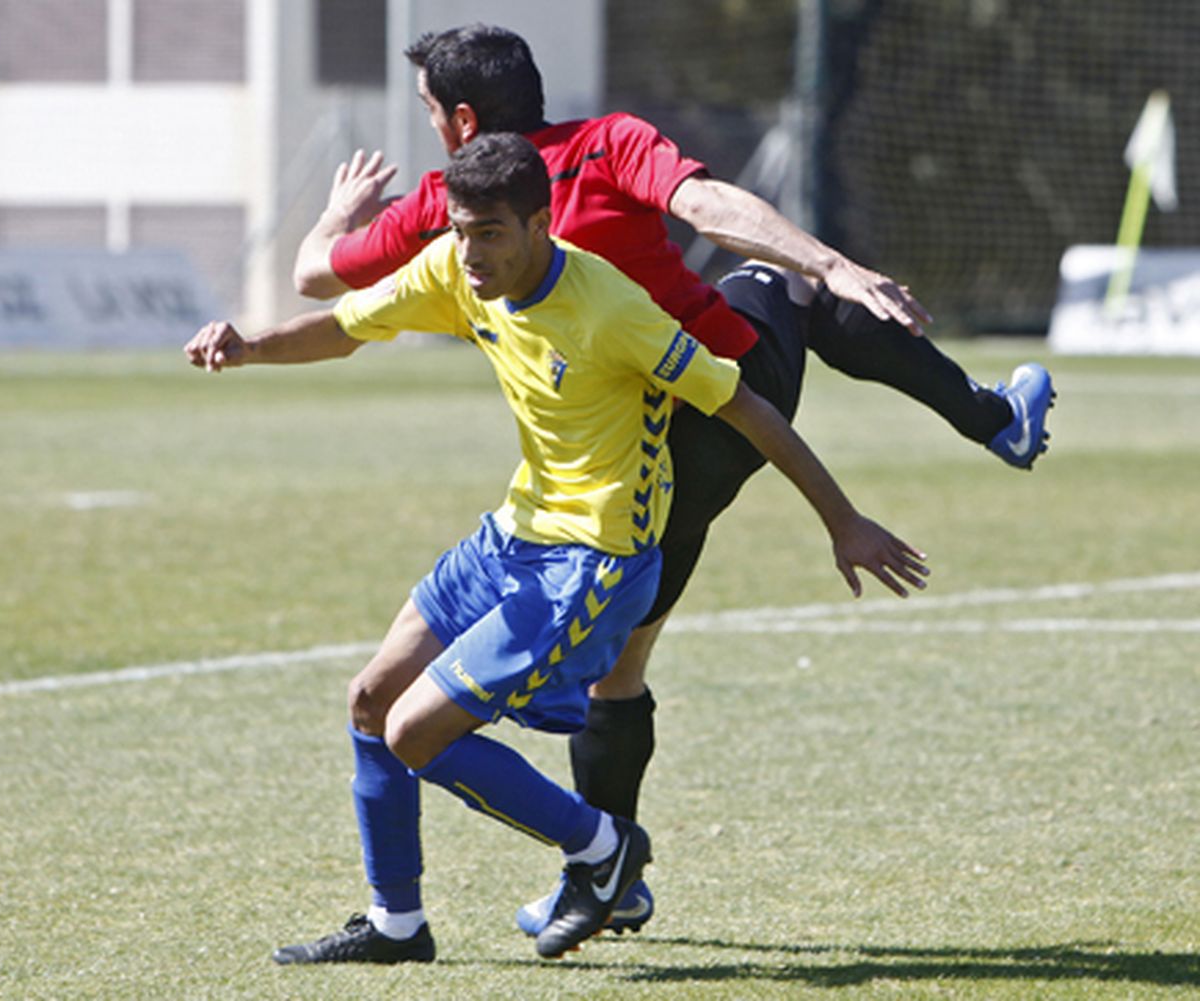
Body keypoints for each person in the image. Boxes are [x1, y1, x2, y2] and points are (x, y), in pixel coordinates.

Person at [290, 22, 1056, 936]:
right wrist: (830, 259)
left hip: (664, 434)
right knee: (789, 290)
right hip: (704, 413)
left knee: (617, 661)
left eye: (427, 113)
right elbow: (713, 207)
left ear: (459, 122)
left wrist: (340, 212)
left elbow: (312, 279)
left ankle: (602, 869)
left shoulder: (453, 203)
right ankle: (994, 417)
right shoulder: (597, 146)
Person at [186, 133, 929, 963]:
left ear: (542, 224)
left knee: (414, 734)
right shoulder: (456, 270)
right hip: (515, 533)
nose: (470, 253)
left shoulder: (610, 308)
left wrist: (843, 520)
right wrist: (250, 347)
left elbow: (746, 406)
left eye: (491, 232)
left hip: (595, 560)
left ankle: (605, 848)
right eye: (461, 229)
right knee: (371, 700)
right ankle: (397, 922)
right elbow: (347, 325)